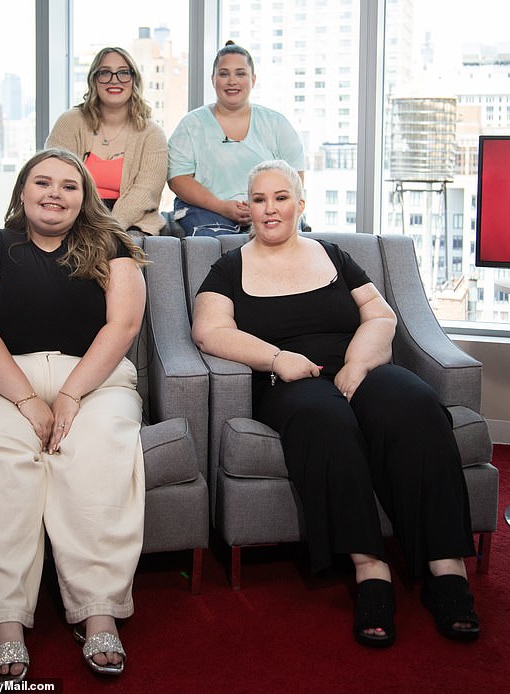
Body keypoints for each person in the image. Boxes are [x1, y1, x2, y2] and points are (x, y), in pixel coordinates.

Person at [192, 159, 480, 647]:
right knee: (325, 423)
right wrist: (277, 358)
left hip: (358, 366)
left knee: (416, 407)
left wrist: (358, 364)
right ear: (249, 209)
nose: (270, 208)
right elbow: (210, 330)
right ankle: (371, 570)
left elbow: (378, 314)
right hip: (291, 381)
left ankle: (446, 569)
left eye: (281, 197)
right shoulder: (229, 266)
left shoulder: (333, 255)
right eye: (259, 199)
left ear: (300, 203)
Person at [0, 148, 147, 682]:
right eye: (43, 182)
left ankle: (97, 607)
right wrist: (26, 401)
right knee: (2, 452)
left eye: (69, 185)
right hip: (2, 380)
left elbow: (122, 327)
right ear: (22, 191)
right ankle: (5, 618)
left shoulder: (111, 245)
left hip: (94, 379)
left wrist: (72, 396)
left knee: (99, 449)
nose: (54, 193)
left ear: (85, 198)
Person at [167, 42, 306, 237]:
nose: (232, 81)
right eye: (224, 74)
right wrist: (222, 207)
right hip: (207, 211)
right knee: (221, 257)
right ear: (213, 79)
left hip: (268, 210)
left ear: (253, 79)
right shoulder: (191, 125)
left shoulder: (276, 123)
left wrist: (262, 206)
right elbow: (178, 179)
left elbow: (295, 178)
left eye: (240, 74)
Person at [46, 46, 168, 236]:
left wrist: (105, 228)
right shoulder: (69, 123)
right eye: (105, 73)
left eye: (123, 73)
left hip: (130, 222)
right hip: (74, 217)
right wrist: (83, 224)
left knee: (115, 248)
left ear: (134, 80)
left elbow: (145, 193)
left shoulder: (152, 134)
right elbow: (54, 178)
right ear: (94, 80)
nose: (114, 80)